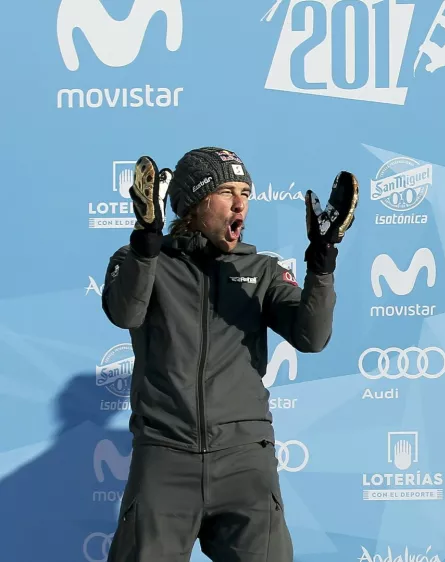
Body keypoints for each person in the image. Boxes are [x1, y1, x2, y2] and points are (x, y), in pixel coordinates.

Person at [100, 147, 358, 561]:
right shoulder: (141, 262)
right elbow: (125, 311)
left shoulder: (262, 270)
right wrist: (147, 243)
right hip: (166, 458)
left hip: (245, 464)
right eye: (226, 191)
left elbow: (311, 336)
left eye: (246, 192)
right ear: (194, 202)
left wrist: (322, 262)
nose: (241, 203)